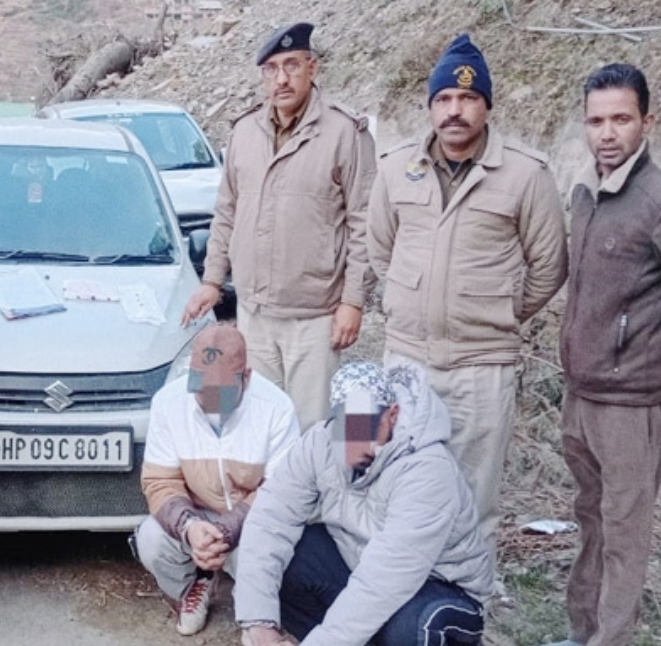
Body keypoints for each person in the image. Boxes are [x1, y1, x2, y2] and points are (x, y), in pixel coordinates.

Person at [367, 33, 568, 559]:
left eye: (467, 98)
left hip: (482, 366)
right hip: (407, 359)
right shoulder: (395, 168)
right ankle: (403, 591)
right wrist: (410, 300)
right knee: (397, 482)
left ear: (487, 105)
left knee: (473, 497)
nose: (454, 110)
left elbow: (549, 265)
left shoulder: (525, 175)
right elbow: (381, 250)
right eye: (443, 99)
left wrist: (501, 311)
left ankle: (467, 598)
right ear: (430, 106)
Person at [181, 22, 376, 433]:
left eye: (291, 65)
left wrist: (353, 302)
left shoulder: (344, 133)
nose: (281, 79)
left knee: (310, 430)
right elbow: (226, 212)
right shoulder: (245, 131)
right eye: (271, 69)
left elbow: (365, 223)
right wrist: (212, 280)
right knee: (258, 428)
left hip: (315, 315)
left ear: (312, 68)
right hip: (254, 312)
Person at [234, 362, 492, 646]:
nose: (354, 442)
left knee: (412, 629)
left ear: (392, 414)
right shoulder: (319, 442)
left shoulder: (427, 470)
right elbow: (270, 520)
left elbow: (387, 575)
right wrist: (259, 623)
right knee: (289, 558)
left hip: (437, 586)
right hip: (357, 564)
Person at [543, 63, 661, 646]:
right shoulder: (585, 190)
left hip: (631, 404)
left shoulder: (655, 198)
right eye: (596, 121)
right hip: (581, 393)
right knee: (590, 518)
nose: (607, 133)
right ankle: (581, 631)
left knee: (623, 533)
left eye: (621, 119)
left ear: (647, 122)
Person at [136, 324, 299, 637]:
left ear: (246, 377)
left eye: (221, 389)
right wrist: (189, 527)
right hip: (199, 516)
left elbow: (279, 491)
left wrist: (228, 529)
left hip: (254, 521)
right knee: (151, 539)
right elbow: (160, 481)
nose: (208, 397)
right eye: (200, 385)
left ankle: (255, 612)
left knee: (279, 553)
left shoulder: (276, 408)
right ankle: (194, 586)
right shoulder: (169, 402)